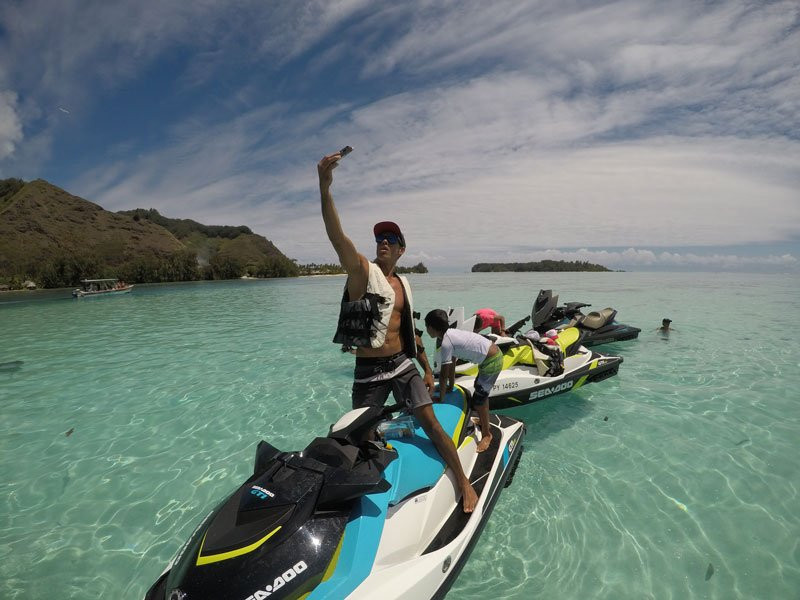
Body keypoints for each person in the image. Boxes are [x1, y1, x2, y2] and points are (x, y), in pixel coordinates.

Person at [318, 150, 478, 513]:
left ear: (402, 249)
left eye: (391, 238)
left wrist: (425, 367)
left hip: (402, 364)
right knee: (360, 435)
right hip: (369, 371)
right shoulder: (362, 272)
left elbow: (412, 332)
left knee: (432, 422)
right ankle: (364, 501)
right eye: (380, 238)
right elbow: (337, 238)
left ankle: (464, 483)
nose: (384, 242)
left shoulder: (405, 283)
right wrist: (325, 188)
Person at [425, 309, 502, 453]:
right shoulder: (451, 334)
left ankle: (487, 434)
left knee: (479, 399)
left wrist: (440, 398)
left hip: (492, 361)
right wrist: (451, 386)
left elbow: (443, 374)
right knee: (479, 390)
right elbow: (452, 362)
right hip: (490, 357)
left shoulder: (447, 342)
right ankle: (485, 421)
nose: (426, 330)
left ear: (432, 328)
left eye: (426, 326)